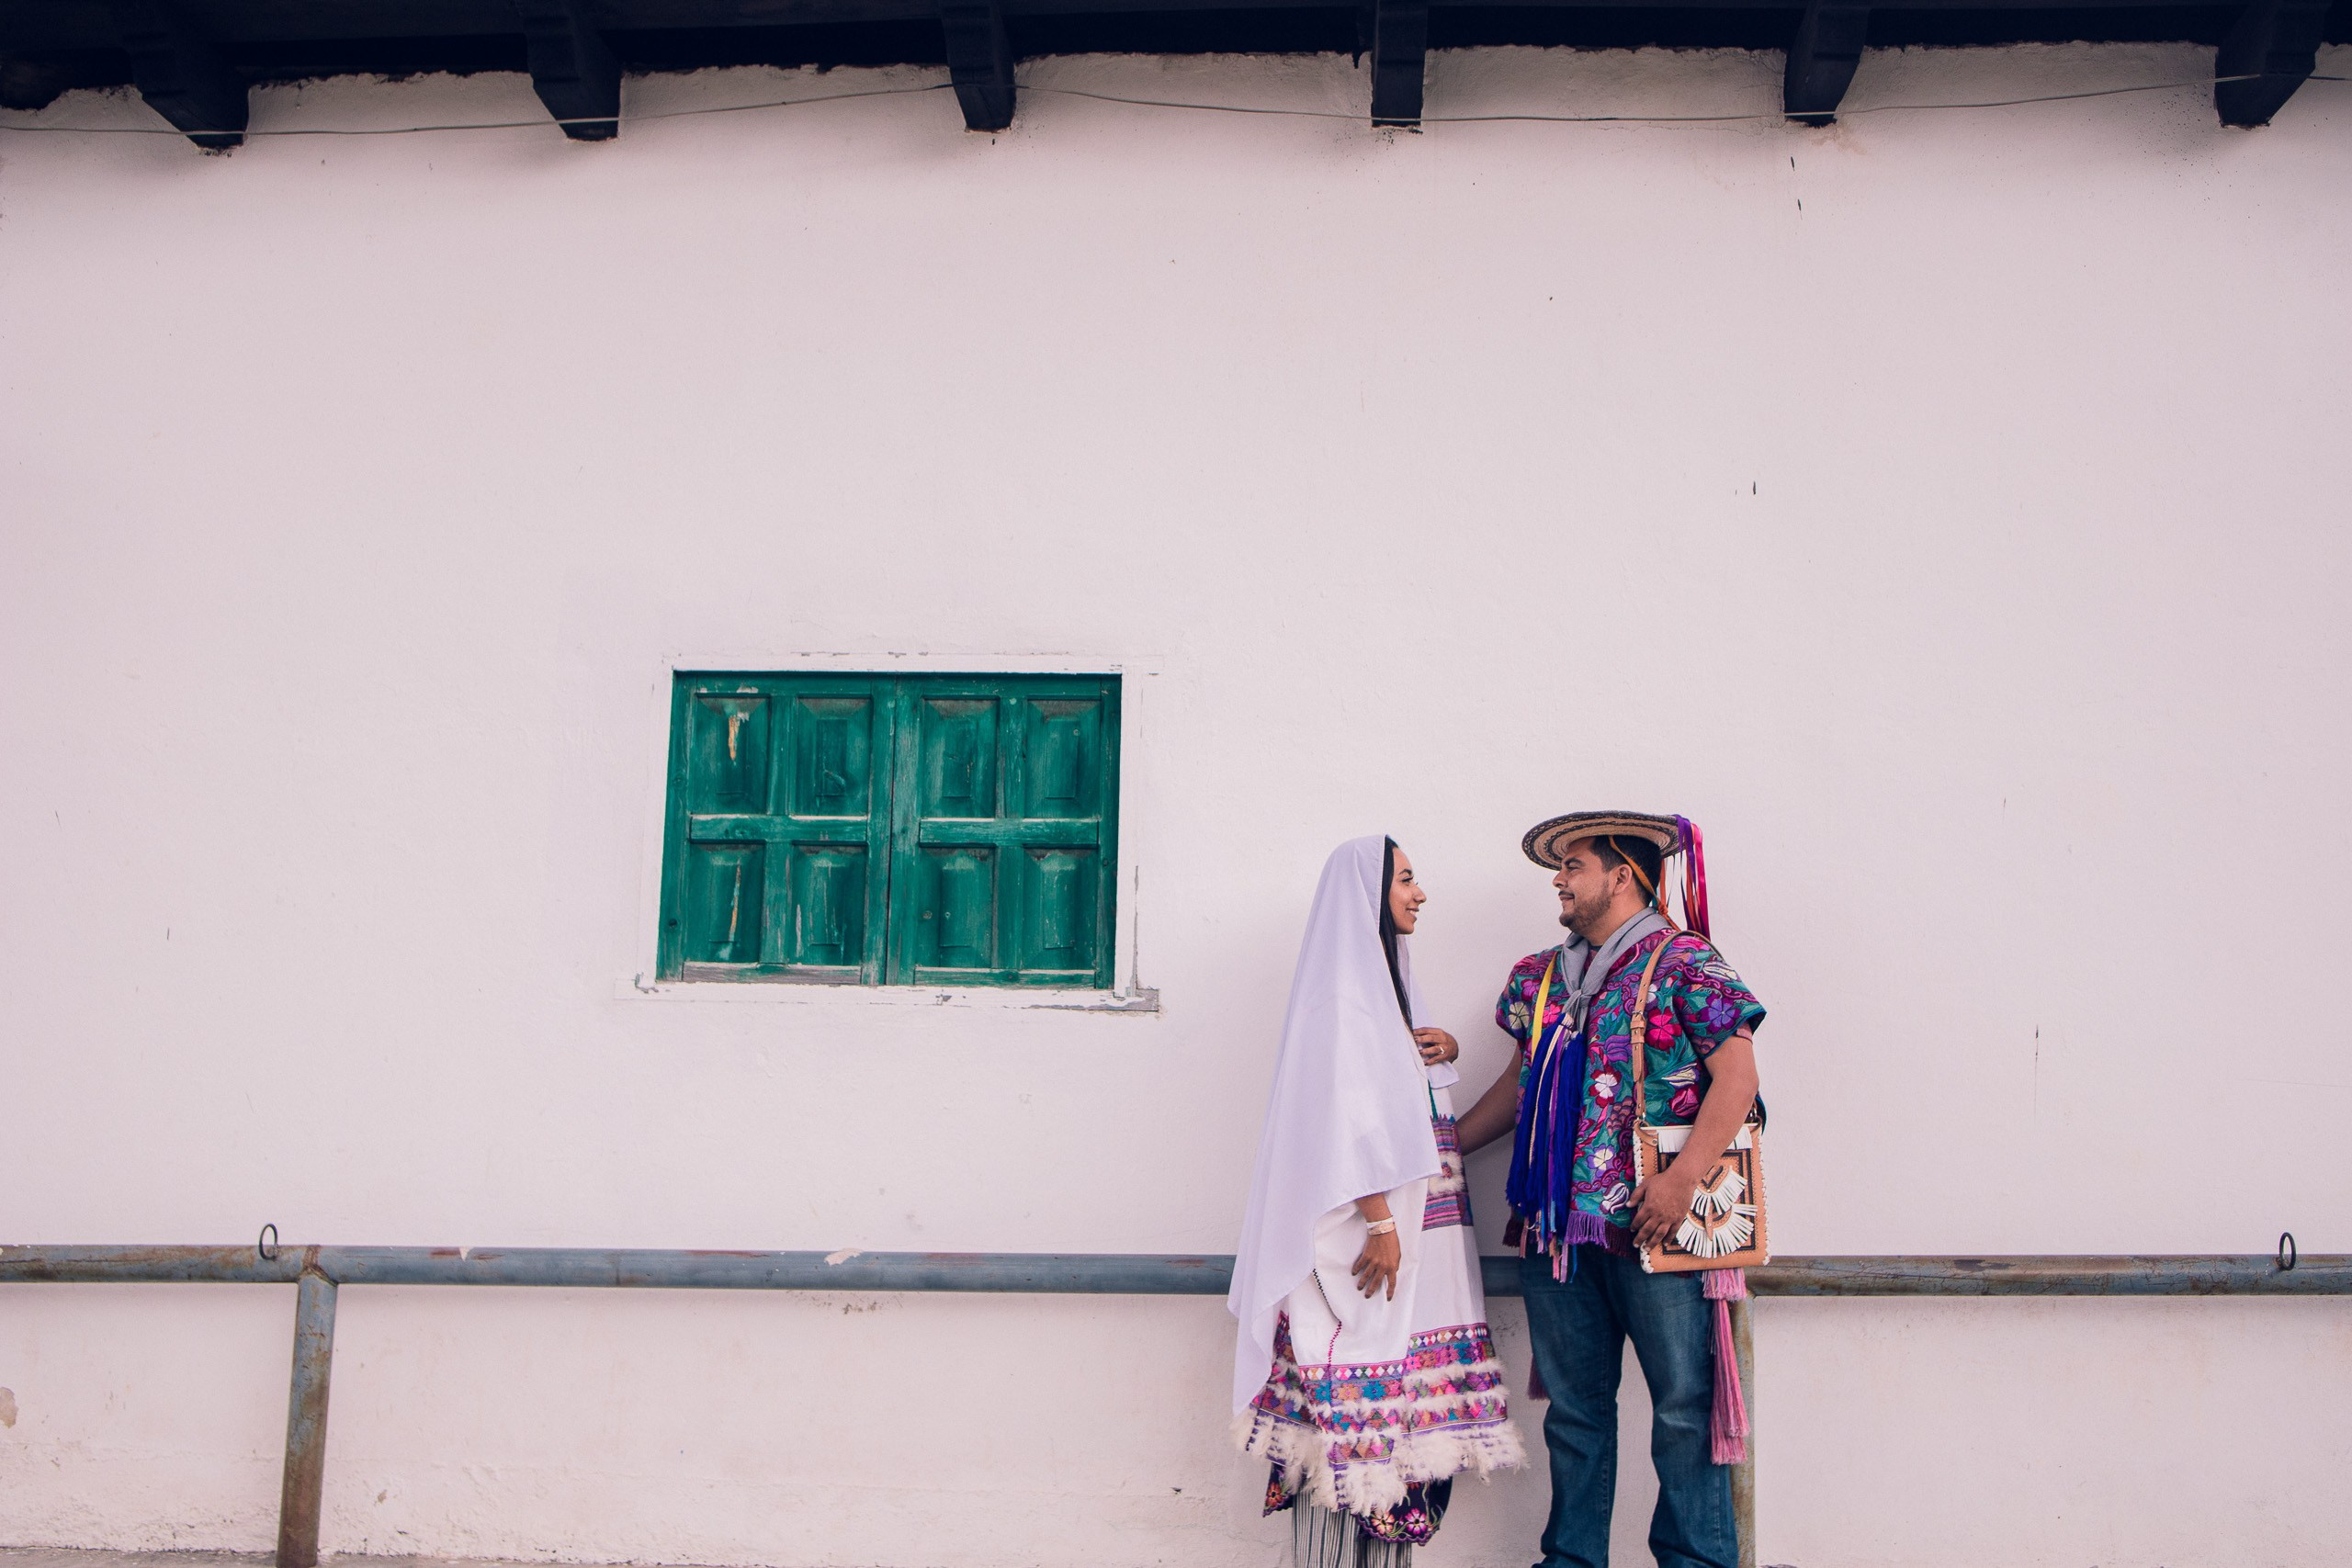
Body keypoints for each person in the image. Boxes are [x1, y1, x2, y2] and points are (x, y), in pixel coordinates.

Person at [1454, 811, 1765, 1568]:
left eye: (1573, 865)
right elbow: (1522, 1086)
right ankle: (1571, 1561)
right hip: (1558, 1233)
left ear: (1622, 875)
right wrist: (1443, 1150)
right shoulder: (1540, 975)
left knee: (1687, 1412)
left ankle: (1694, 1561)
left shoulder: (1687, 960)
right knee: (1574, 1413)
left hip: (1661, 1226)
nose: (1559, 880)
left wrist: (1680, 1182)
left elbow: (1739, 1077)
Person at [1230, 835, 1525, 1568]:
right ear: (1368, 896)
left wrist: (1444, 1048)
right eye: (1406, 880)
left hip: (1418, 1240)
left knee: (1400, 1440)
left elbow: (1398, 1106)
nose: (1419, 894)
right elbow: (1341, 1119)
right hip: (1378, 1237)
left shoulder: (1385, 988)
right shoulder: (1343, 995)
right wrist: (1382, 1220)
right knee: (1359, 1433)